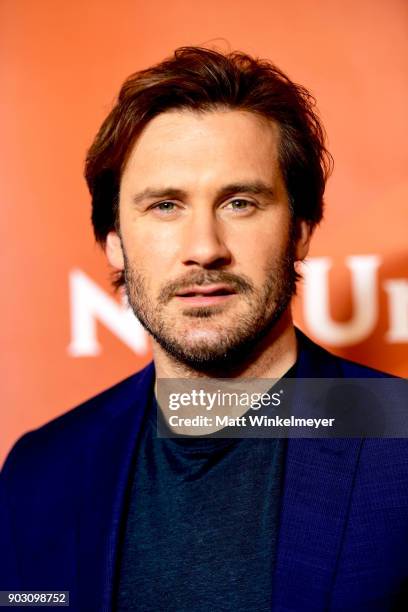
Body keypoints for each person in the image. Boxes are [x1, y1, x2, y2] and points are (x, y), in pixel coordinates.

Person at [1, 47, 407, 611]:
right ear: (114, 239)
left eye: (240, 203)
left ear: (301, 229)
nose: (204, 250)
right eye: (165, 206)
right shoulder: (41, 472)